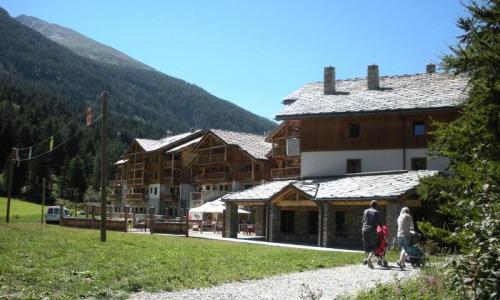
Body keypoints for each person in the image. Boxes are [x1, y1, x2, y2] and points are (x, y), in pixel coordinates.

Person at [362, 200, 382, 268]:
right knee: (373, 248)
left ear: (370, 205)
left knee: (366, 246)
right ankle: (368, 259)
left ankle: (367, 260)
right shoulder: (376, 212)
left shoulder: (365, 211)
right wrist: (381, 227)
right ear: (376, 206)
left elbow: (363, 221)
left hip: (364, 229)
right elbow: (379, 222)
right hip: (372, 230)